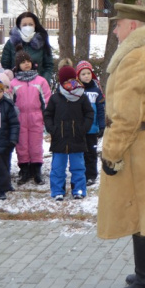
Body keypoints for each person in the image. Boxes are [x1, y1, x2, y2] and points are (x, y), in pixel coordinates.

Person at [96, 3, 145, 288]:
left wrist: (111, 153)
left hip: (139, 145)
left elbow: (126, 116)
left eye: (117, 25)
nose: (114, 30)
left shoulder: (135, 58)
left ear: (131, 26)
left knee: (141, 210)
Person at [44, 65, 93, 201]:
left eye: (72, 80)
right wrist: (51, 128)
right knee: (57, 168)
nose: (70, 84)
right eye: (66, 81)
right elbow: (48, 114)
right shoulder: (55, 98)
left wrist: (83, 128)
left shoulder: (82, 97)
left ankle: (78, 189)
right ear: (61, 82)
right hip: (59, 139)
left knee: (78, 167)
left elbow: (89, 113)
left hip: (77, 139)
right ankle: (57, 191)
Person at [11, 45, 51, 185]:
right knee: (22, 145)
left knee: (35, 144)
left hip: (36, 117)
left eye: (28, 61)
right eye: (22, 62)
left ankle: (36, 170)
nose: (26, 64)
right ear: (18, 65)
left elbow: (46, 100)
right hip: (20, 119)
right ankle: (24, 170)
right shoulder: (14, 83)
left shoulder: (40, 81)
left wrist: (46, 117)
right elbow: (10, 103)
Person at [1, 12, 54, 84]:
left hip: (37, 87)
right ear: (19, 26)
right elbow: (5, 67)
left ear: (35, 25)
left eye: (30, 24)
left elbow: (48, 66)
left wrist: (43, 83)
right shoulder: (11, 44)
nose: (28, 27)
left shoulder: (42, 42)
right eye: (24, 25)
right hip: (16, 88)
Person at [75, 60, 105, 187]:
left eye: (88, 73)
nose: (86, 76)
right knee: (79, 152)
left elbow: (101, 110)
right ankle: (79, 173)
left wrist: (102, 125)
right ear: (78, 76)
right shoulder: (75, 90)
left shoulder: (96, 90)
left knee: (91, 152)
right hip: (78, 128)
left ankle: (91, 175)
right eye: (83, 74)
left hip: (92, 129)